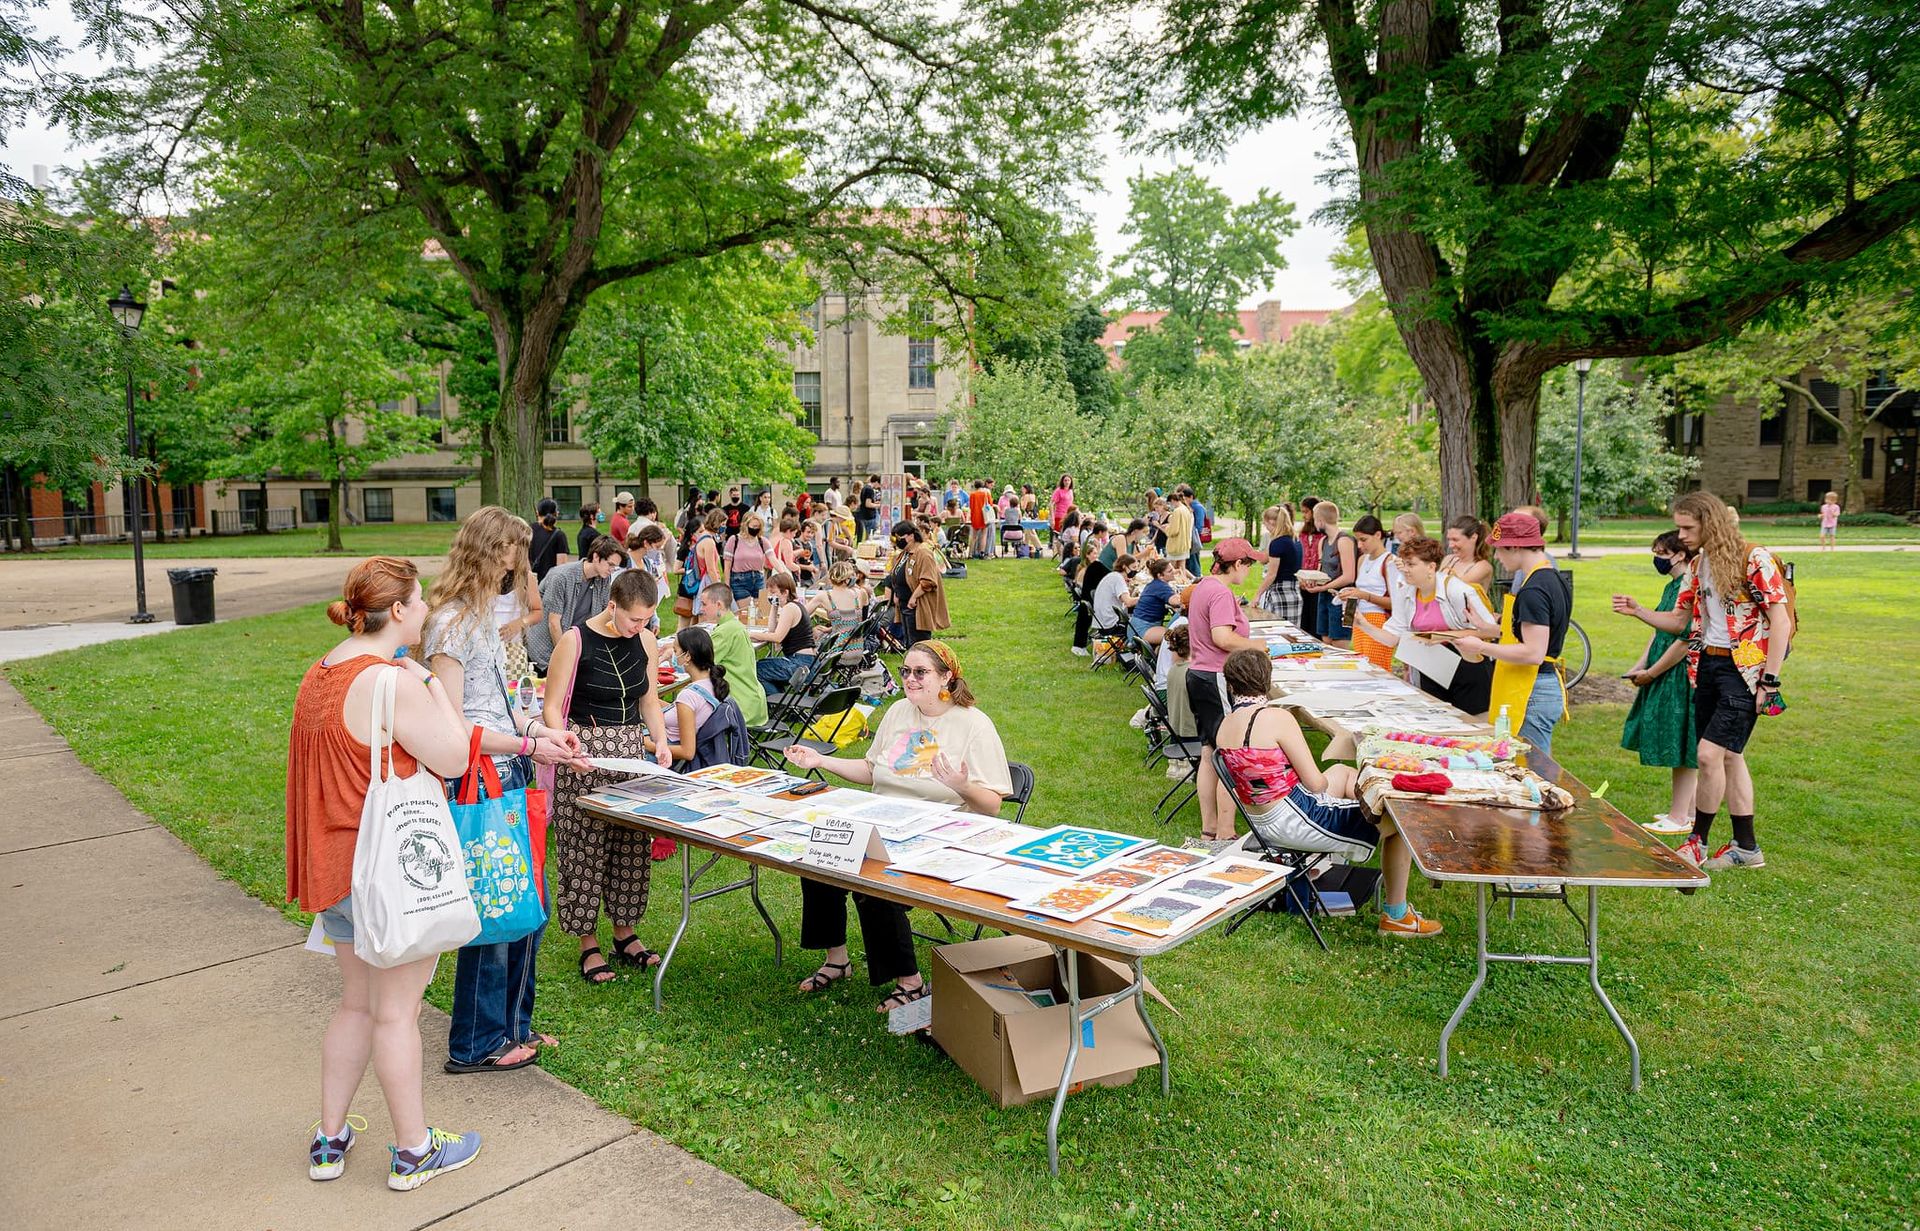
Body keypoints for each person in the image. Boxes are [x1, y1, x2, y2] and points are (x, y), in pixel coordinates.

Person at [289, 557, 485, 1189]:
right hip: (387, 874)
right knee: (397, 1013)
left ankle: (330, 1138)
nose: (426, 610)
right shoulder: (392, 681)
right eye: (419, 600)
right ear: (396, 611)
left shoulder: (320, 671)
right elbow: (454, 757)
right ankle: (413, 1151)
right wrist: (428, 682)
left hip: (336, 868)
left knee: (355, 1005)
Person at [421, 508, 588, 1075]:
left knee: (525, 908)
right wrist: (524, 747)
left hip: (509, 769)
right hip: (479, 779)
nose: (516, 566)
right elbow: (452, 726)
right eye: (509, 554)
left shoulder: (480, 618)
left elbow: (502, 703)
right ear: (486, 553)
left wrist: (543, 733)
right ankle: (476, 1042)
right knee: (496, 910)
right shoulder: (448, 625)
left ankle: (515, 1026)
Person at [783, 640, 1012, 1014]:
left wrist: (962, 786)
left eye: (920, 672)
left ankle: (910, 981)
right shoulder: (898, 712)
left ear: (946, 677)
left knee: (875, 885)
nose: (909, 678)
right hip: (883, 821)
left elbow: (993, 805)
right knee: (820, 858)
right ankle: (837, 959)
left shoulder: (974, 725)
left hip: (936, 834)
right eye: (905, 671)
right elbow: (873, 770)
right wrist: (820, 761)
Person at [1612, 490, 1790, 871]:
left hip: (1744, 672)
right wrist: (1638, 610)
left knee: (1708, 754)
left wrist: (1770, 681)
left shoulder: (1753, 559)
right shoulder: (1698, 565)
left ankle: (1697, 842)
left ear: (1710, 523)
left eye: (1687, 527)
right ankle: (1747, 848)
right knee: (1730, 757)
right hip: (1706, 667)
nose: (1681, 536)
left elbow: (1781, 620)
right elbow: (1680, 622)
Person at [1212, 648, 1441, 938]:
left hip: (1262, 821)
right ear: (1267, 681)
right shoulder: (1276, 718)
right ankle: (1397, 915)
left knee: (1343, 773)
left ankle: (1348, 844)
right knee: (1398, 820)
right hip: (1295, 819)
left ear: (1231, 685)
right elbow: (1315, 785)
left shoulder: (1225, 725)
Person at [542, 570, 673, 985]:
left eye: (647, 619)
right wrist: (567, 744)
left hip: (631, 752)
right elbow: (551, 706)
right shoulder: (574, 640)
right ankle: (587, 942)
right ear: (612, 605)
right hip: (584, 750)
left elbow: (648, 699)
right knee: (583, 847)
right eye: (634, 619)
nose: (640, 627)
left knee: (630, 846)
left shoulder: (646, 641)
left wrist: (662, 740)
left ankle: (625, 932)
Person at [1456, 511, 1572, 754]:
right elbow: (1534, 633)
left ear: (1516, 546)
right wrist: (1491, 629)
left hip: (1531, 690)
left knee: (1532, 768)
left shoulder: (1533, 590)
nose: (1497, 556)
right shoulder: (1552, 578)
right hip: (1539, 685)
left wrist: (1481, 647)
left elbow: (1533, 652)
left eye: (1499, 549)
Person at [1185, 538, 1269, 848]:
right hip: (1216, 676)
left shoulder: (1205, 585)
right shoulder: (1220, 592)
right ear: (1236, 564)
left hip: (1199, 675)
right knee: (1226, 753)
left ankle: (1210, 830)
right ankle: (1225, 832)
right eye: (1248, 564)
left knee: (1209, 752)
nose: (1249, 571)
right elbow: (1222, 637)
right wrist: (1256, 646)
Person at [1364, 535, 1499, 715]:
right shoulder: (1406, 593)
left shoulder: (1458, 590)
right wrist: (1363, 624)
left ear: (1431, 566)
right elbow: (1393, 638)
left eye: (1411, 564)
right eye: (1403, 564)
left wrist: (1445, 636)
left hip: (1467, 665)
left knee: (1473, 727)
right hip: (1430, 666)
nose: (1405, 570)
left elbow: (1490, 631)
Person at [1619, 531, 1699, 835]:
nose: (1656, 558)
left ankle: (1679, 816)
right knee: (1681, 742)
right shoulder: (1672, 586)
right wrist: (1642, 664)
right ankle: (1686, 811)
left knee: (1681, 743)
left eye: (1661, 552)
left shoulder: (1689, 587)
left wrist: (1653, 672)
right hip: (1664, 669)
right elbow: (1658, 626)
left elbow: (1683, 638)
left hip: (1679, 675)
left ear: (1679, 555)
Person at [526, 535, 624, 672]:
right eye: (610, 564)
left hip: (574, 648)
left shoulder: (603, 579)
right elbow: (554, 623)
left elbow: (603, 616)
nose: (612, 570)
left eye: (615, 567)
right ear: (596, 557)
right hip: (545, 651)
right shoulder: (561, 577)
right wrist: (566, 657)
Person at [695, 582, 770, 727]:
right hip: (754, 701)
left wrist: (676, 652)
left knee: (691, 717)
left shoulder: (725, 631)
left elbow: (700, 663)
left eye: (704, 604)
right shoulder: (733, 625)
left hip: (739, 707)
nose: (701, 609)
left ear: (718, 605)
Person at [657, 625, 729, 765]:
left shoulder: (689, 696)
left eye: (676, 650)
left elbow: (687, 752)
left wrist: (646, 744)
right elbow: (679, 711)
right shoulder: (712, 684)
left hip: (664, 756)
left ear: (687, 656)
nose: (673, 654)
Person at [1338, 515, 1399, 671]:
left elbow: (1396, 603)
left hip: (1378, 620)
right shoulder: (1362, 560)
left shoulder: (1390, 561)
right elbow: (1359, 592)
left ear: (1378, 535)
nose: (1359, 545)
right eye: (1357, 540)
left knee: (1377, 668)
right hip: (1359, 620)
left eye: (1363, 540)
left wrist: (1365, 596)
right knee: (1361, 666)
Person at [1299, 501, 1357, 647]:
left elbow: (1349, 576)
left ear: (1320, 521)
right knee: (1325, 640)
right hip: (1325, 596)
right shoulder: (1323, 541)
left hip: (1345, 598)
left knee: (1340, 642)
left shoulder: (1344, 540)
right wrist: (1311, 581)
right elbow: (1321, 570)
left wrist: (1322, 588)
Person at [750, 571, 817, 692]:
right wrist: (774, 606)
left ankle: (777, 702)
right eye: (769, 593)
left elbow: (777, 637)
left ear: (785, 592)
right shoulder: (794, 606)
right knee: (763, 665)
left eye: (774, 592)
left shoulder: (789, 608)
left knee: (755, 669)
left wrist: (750, 634)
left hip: (799, 663)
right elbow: (771, 630)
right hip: (805, 662)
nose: (770, 596)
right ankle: (779, 699)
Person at [890, 518, 949, 648]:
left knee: (919, 645)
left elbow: (928, 581)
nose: (897, 541)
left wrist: (913, 598)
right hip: (904, 604)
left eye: (899, 537)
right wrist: (896, 594)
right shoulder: (905, 553)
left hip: (916, 607)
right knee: (910, 644)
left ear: (911, 536)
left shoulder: (923, 552)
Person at [1255, 504, 1304, 622]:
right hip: (1294, 592)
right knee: (1291, 634)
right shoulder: (1295, 540)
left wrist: (1257, 595)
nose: (1265, 527)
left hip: (1280, 593)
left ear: (1271, 522)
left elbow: (1272, 574)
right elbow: (1264, 559)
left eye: (1265, 523)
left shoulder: (1277, 543)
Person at [1441, 515, 1495, 604]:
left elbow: (1453, 590)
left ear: (1473, 537)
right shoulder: (1449, 559)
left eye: (1455, 540)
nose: (1450, 545)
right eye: (1449, 539)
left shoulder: (1482, 567)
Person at [1130, 557, 1178, 645]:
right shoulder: (1161, 586)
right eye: (1170, 571)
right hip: (1142, 630)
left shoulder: (1154, 584)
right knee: (1177, 636)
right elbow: (1176, 601)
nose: (1174, 572)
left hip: (1135, 626)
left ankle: (1158, 653)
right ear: (1160, 575)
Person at [725, 512, 771, 603]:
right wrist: (727, 587)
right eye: (753, 526)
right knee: (745, 612)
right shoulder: (734, 540)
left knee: (761, 611)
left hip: (758, 579)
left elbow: (773, 558)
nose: (756, 529)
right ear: (746, 525)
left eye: (758, 527)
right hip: (739, 581)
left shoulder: (762, 541)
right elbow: (727, 567)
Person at [528, 498, 569, 580]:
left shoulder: (527, 530)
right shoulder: (559, 535)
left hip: (529, 581)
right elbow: (561, 567)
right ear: (556, 514)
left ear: (537, 512)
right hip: (549, 583)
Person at [1163, 485, 1195, 575]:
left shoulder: (1177, 511)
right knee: (1182, 568)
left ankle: (1175, 585)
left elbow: (1174, 530)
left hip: (1176, 545)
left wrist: (1166, 528)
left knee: (1171, 569)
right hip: (1184, 544)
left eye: (1170, 503)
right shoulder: (1186, 510)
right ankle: (1183, 584)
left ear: (1173, 501)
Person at [966, 479, 990, 559]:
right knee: (984, 535)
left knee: (973, 536)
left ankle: (970, 553)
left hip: (975, 516)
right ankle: (982, 553)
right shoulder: (986, 494)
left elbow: (971, 507)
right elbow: (990, 505)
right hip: (984, 517)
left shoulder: (972, 495)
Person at [856, 474, 882, 541]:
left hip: (864, 514)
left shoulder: (865, 488)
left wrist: (875, 503)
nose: (879, 486)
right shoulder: (870, 490)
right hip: (869, 516)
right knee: (871, 537)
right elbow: (868, 504)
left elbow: (866, 501)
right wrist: (879, 505)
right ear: (876, 482)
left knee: (867, 536)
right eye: (879, 484)